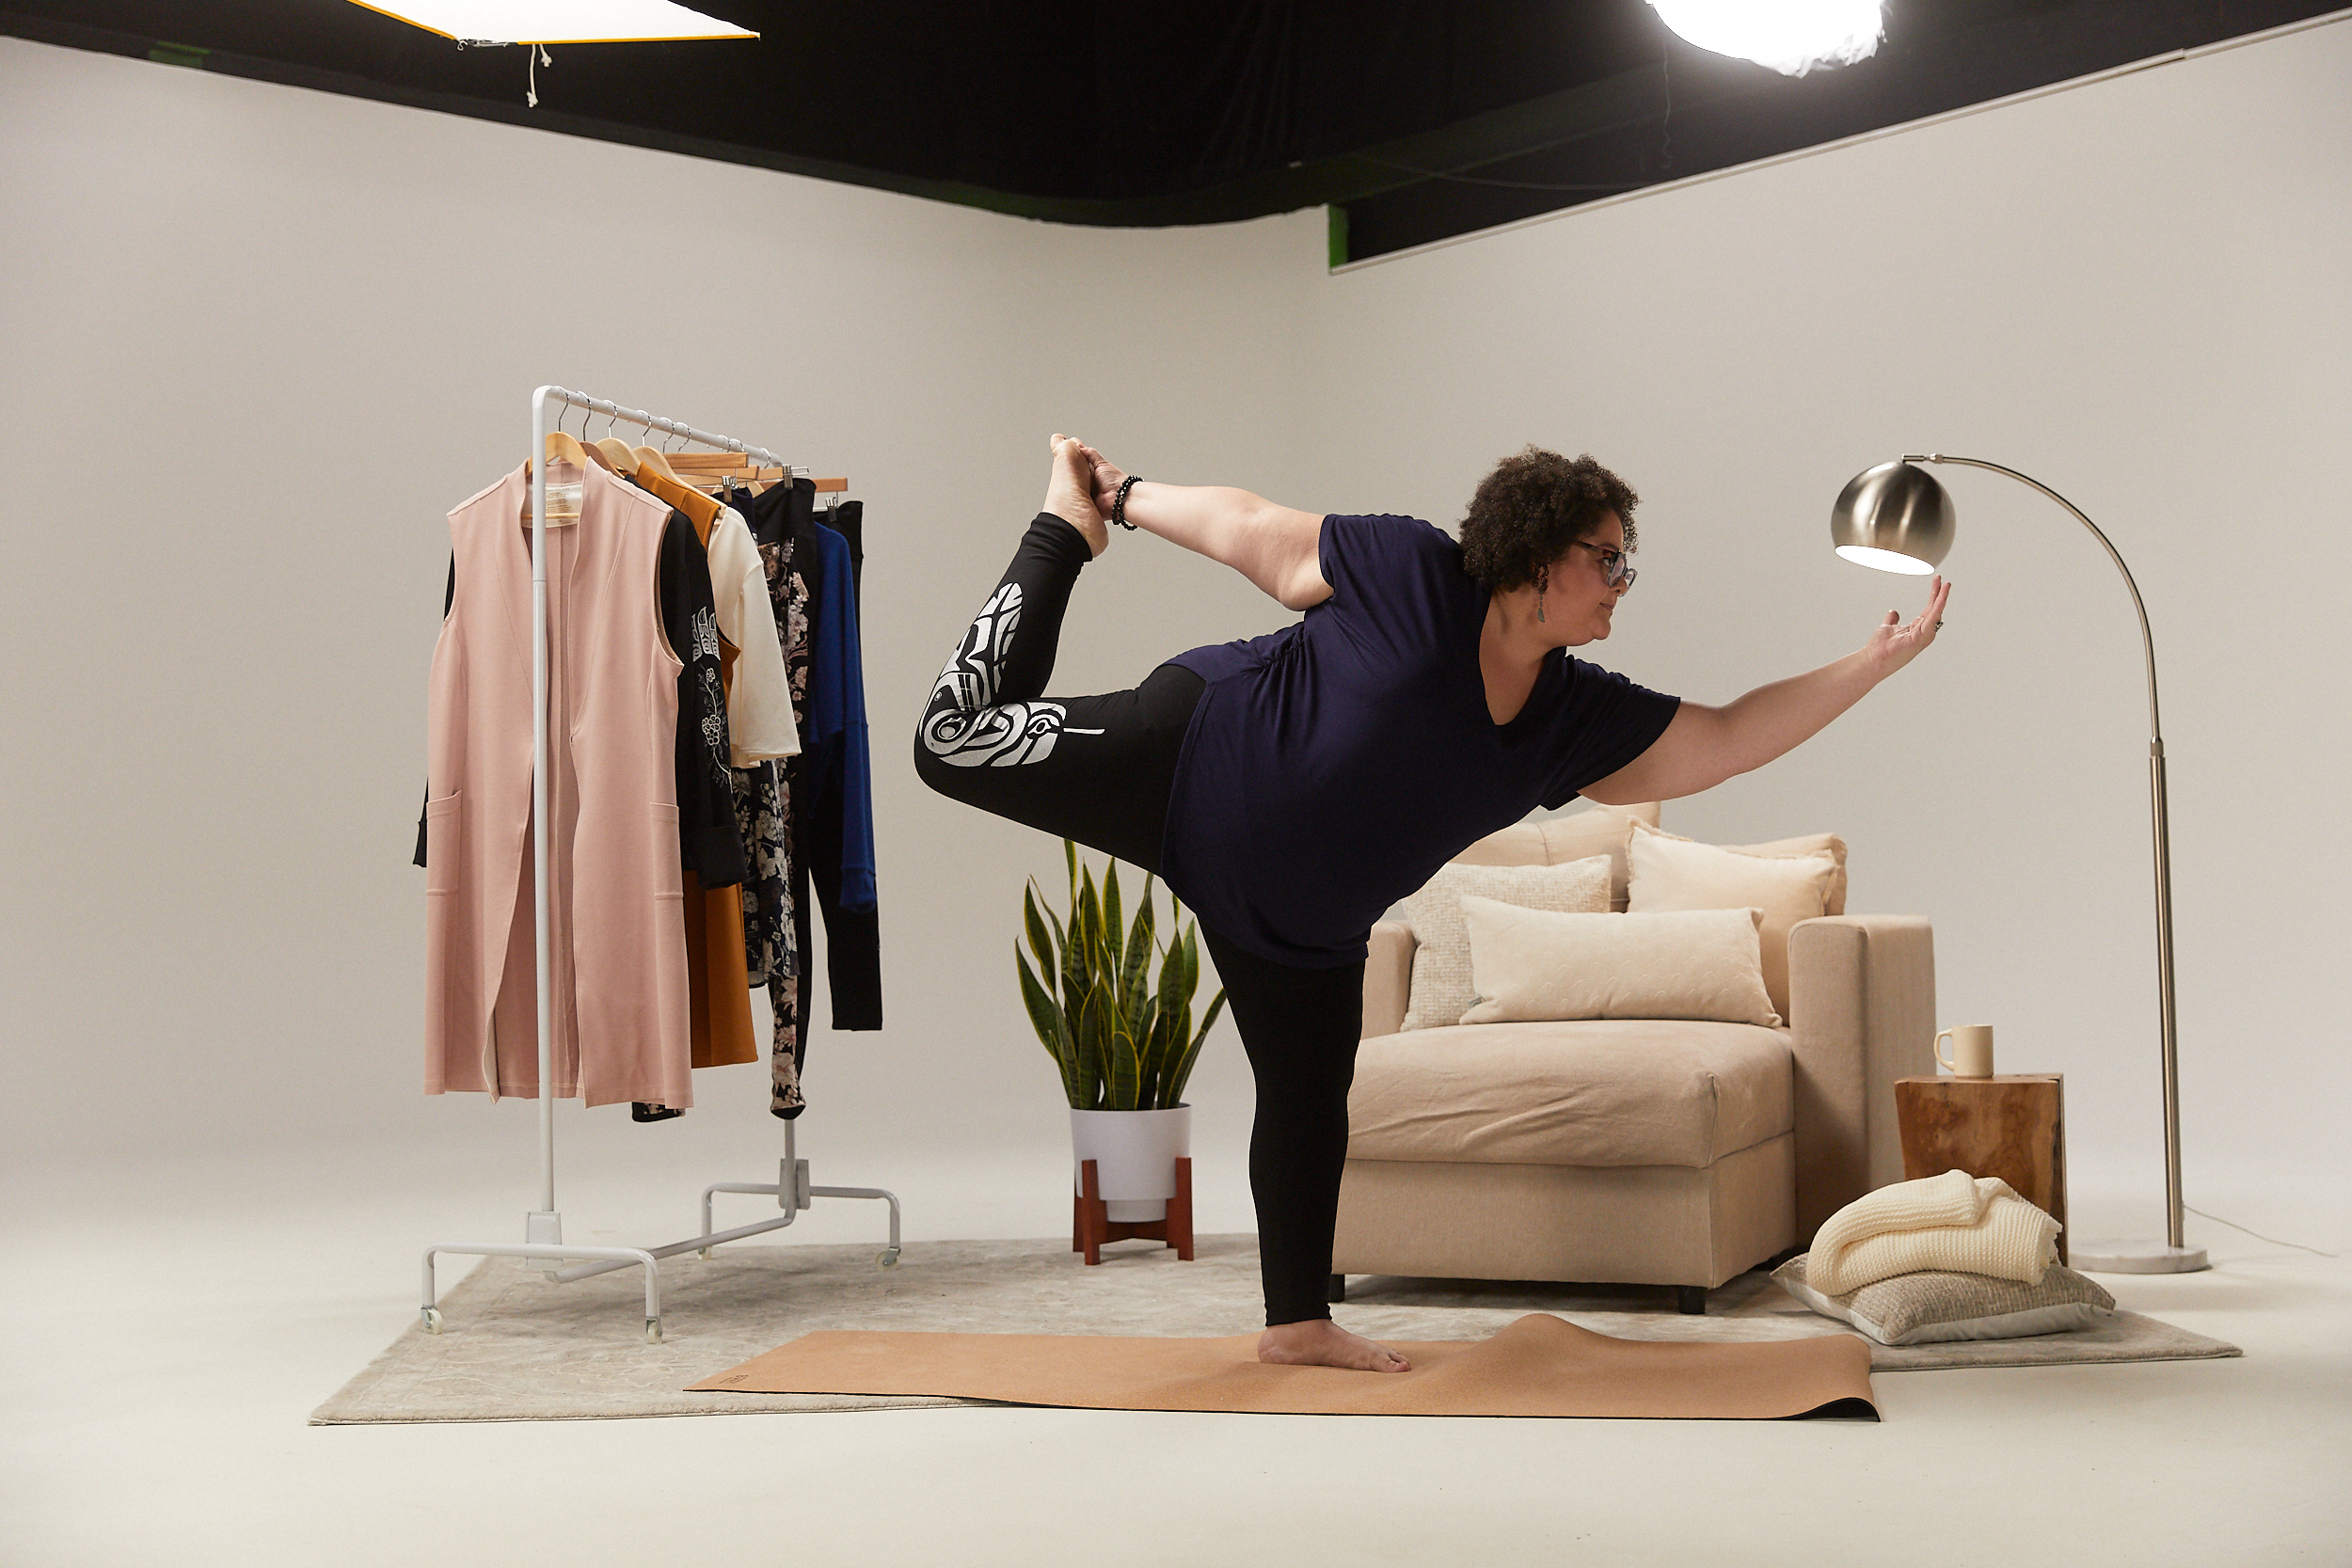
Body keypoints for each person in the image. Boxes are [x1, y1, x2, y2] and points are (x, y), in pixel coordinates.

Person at [916, 435, 1950, 1373]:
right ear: (1538, 553)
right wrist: (1122, 498)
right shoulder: (1409, 570)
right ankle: (1060, 529)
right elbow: (1254, 533)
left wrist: (1872, 661)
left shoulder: (1570, 717)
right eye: (1609, 556)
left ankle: (1296, 1321)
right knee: (952, 739)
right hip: (1191, 762)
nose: (1622, 582)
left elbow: (1722, 737)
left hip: (1297, 925)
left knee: (1309, 1100)